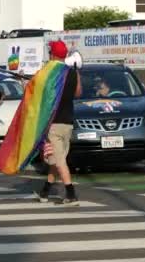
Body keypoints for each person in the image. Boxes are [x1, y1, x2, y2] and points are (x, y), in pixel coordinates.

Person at [36, 41, 82, 206]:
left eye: (50, 53)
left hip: (54, 123)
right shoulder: (72, 72)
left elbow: (43, 97)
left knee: (59, 160)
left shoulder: (50, 73)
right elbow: (78, 93)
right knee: (58, 158)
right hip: (68, 122)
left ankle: (71, 194)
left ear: (53, 55)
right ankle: (46, 190)